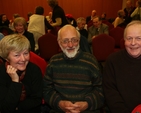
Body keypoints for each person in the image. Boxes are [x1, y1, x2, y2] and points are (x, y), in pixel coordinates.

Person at [43, 25, 104, 113]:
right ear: (59, 43)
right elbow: (46, 89)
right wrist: (60, 103)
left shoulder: (91, 61)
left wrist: (87, 104)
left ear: (79, 41)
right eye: (65, 41)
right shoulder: (54, 62)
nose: (70, 45)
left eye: (74, 40)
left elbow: (101, 90)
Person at [103, 20, 141, 113]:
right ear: (124, 41)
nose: (133, 43)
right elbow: (110, 93)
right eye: (129, 38)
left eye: (138, 38)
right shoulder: (112, 61)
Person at [0, 34, 42, 113]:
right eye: (17, 55)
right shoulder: (1, 73)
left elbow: (37, 100)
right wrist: (15, 81)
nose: (23, 59)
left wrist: (17, 108)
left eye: (26, 53)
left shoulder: (34, 70)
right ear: (6, 57)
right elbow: (5, 108)